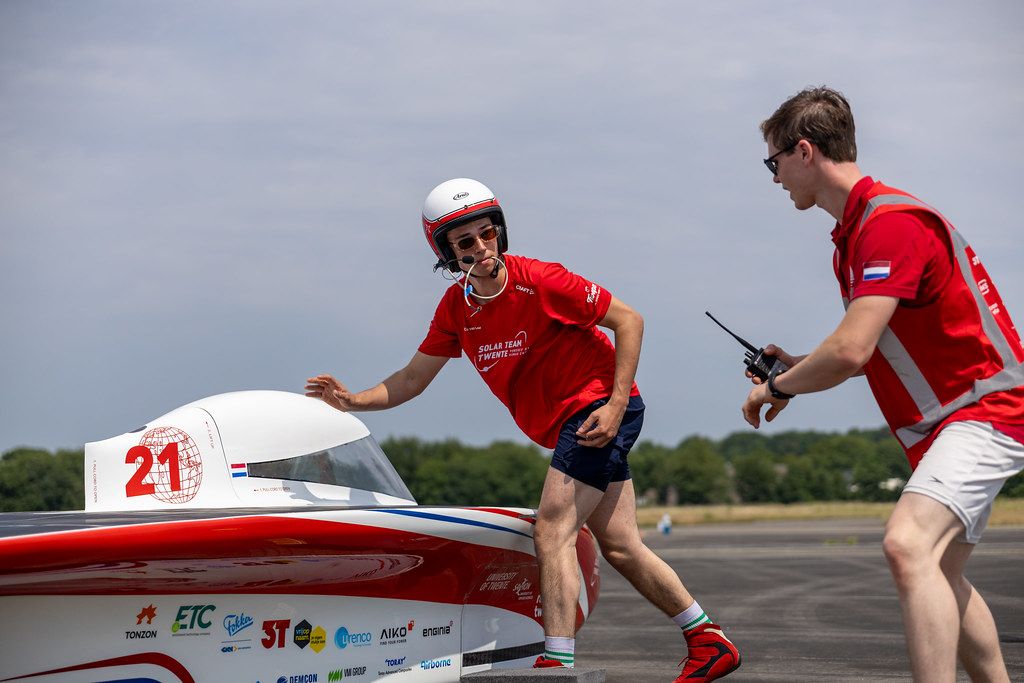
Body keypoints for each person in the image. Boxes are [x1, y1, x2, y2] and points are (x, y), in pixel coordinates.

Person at [307, 178, 741, 682]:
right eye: (465, 242)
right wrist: (352, 400)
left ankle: (555, 662)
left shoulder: (541, 279)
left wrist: (617, 404)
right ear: (446, 252)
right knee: (621, 545)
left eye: (487, 234)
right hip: (573, 422)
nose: (480, 248)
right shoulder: (455, 310)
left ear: (500, 232)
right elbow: (411, 378)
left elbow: (629, 320)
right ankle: (708, 641)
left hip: (597, 409)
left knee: (552, 530)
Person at [744, 86, 1024, 682]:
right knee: (940, 569)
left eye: (773, 163)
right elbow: (869, 343)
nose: (773, 180)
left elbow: (851, 351)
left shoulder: (887, 225)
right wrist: (795, 362)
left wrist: (780, 386)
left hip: (987, 409)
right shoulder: (859, 230)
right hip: (958, 417)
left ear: (804, 152)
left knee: (907, 546)